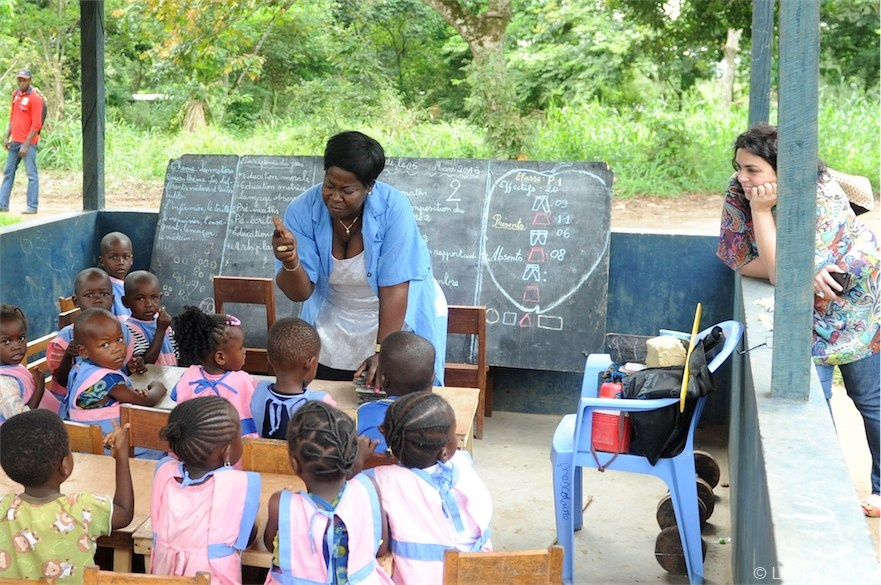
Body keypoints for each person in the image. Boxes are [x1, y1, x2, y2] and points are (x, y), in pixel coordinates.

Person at [716, 123, 880, 517]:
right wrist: (763, 218)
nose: (742, 176)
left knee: (871, 399)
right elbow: (739, 258)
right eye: (739, 166)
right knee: (815, 406)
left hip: (856, 303)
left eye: (753, 169)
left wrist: (788, 269)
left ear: (782, 168)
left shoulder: (820, 191)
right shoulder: (741, 192)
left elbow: (784, 273)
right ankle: (832, 491)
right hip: (800, 314)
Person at [271, 130, 447, 390]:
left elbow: (395, 288)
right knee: (333, 400)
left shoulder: (393, 209)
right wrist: (290, 262)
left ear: (369, 186)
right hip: (334, 318)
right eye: (329, 185)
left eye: (348, 190)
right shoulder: (302, 210)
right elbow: (300, 293)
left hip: (395, 313)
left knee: (391, 399)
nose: (335, 196)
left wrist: (383, 351)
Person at [367, 392, 492, 584]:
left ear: (386, 433)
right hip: (479, 573)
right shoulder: (462, 464)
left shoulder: (378, 480)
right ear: (444, 453)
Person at [263, 401, 391, 585]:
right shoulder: (368, 488)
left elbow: (273, 548)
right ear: (351, 457)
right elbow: (380, 547)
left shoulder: (282, 504)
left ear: (294, 463)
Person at [0, 409, 134, 580]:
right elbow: (124, 511)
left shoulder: (3, 509)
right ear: (65, 465)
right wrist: (122, 457)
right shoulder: (82, 509)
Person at [150, 396, 261, 584]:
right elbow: (246, 538)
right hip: (212, 578)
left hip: (163, 575)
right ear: (226, 451)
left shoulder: (164, 472)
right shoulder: (238, 484)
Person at [46, 268, 144, 416]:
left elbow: (121, 368)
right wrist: (68, 355)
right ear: (76, 301)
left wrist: (133, 366)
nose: (97, 299)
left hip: (112, 398)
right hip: (70, 408)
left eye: (104, 294)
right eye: (89, 295)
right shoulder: (66, 337)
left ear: (112, 299)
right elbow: (61, 381)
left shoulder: (121, 330)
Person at [66, 307, 167, 436]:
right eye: (105, 345)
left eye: (119, 339)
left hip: (85, 441)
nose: (117, 348)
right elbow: (146, 402)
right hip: (108, 447)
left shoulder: (79, 369)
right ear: (83, 351)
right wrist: (158, 387)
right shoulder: (110, 381)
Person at [171, 306, 257, 437]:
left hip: (193, 451)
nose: (244, 350)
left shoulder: (189, 376)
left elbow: (175, 396)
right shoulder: (243, 380)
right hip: (237, 452)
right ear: (221, 357)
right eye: (240, 347)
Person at [249, 317, 336, 440]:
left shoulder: (255, 391)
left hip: (259, 458)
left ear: (269, 358)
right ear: (310, 363)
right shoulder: (322, 403)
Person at [356, 331, 436, 454]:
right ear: (433, 378)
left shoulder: (364, 412)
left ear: (382, 379)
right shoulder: (440, 414)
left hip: (372, 472)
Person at [0, 69, 43, 214]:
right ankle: (2, 204)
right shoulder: (15, 95)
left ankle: (32, 206)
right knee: (8, 172)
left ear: (30, 80)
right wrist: (7, 135)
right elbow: (13, 117)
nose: (21, 82)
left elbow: (36, 124)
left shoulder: (35, 99)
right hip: (15, 141)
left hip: (28, 143)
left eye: (24, 80)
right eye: (19, 80)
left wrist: (26, 144)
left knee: (31, 175)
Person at [0, 305, 45, 422]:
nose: (17, 346)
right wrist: (39, 389)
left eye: (21, 338)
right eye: (6, 341)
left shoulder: (12, 367)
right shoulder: (4, 384)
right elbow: (21, 421)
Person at [122, 270, 177, 365]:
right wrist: (160, 330)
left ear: (160, 298)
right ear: (126, 302)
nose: (149, 304)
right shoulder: (130, 329)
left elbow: (176, 354)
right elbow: (146, 362)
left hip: (170, 377)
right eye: (140, 298)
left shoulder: (163, 323)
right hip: (149, 379)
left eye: (154, 297)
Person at [98, 231, 134, 318]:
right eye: (113, 257)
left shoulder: (132, 286)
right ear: (102, 261)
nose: (121, 262)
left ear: (131, 260)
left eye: (126, 257)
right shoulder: (105, 289)